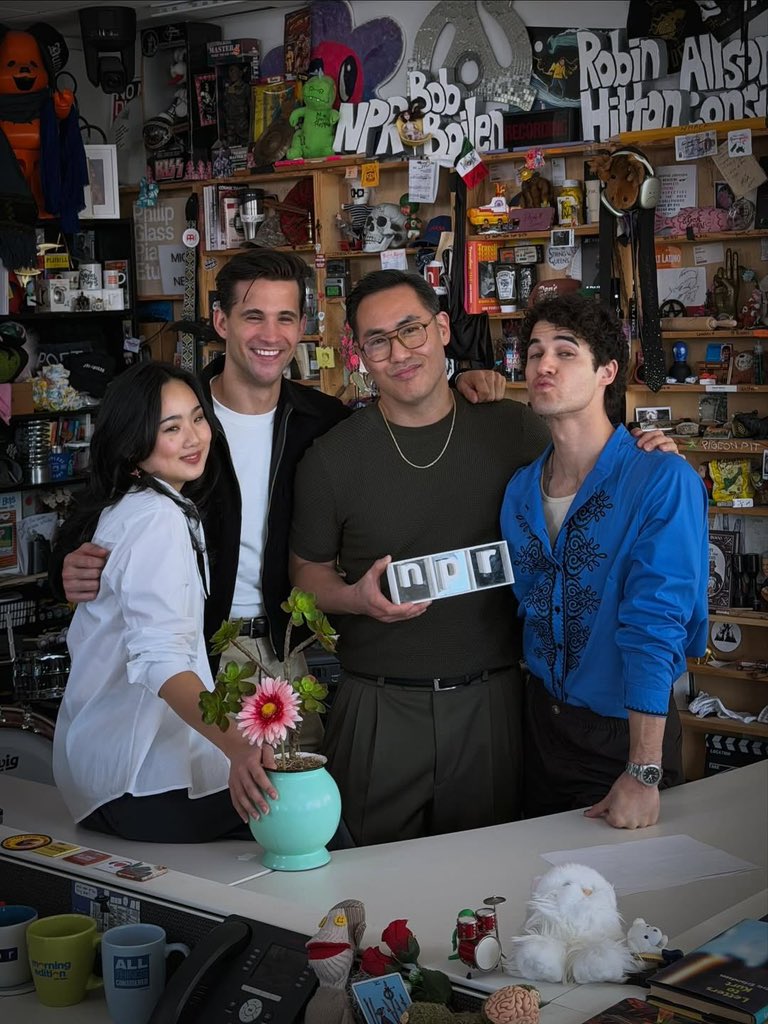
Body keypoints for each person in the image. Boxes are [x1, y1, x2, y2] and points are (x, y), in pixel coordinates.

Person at [55, 251, 505, 824]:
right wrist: (66, 566)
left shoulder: (322, 421)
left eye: (286, 317)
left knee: (293, 821)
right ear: (221, 323)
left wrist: (460, 379)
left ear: (303, 324)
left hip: (286, 655)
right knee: (217, 820)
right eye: (253, 317)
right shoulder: (175, 413)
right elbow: (101, 504)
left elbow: (404, 417)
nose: (272, 335)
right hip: (190, 653)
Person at [289, 270, 678, 847]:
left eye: (412, 329)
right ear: (359, 354)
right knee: (364, 884)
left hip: (496, 704)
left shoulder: (514, 427)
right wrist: (354, 599)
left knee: (489, 890)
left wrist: (652, 451)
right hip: (377, 704)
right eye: (377, 340)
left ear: (442, 328)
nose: (399, 352)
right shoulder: (332, 458)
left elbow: (594, 463)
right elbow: (305, 578)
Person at [499, 294, 709, 830]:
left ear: (607, 372)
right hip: (540, 727)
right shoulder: (520, 491)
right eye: (535, 352)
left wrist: (643, 770)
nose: (544, 364)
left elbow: (656, 625)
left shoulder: (662, 478)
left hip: (627, 736)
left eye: (566, 352)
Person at [52, 363, 275, 843]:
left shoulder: (149, 505)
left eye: (198, 419)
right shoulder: (156, 517)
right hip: (133, 779)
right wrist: (238, 748)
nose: (194, 437)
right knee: (301, 813)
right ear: (134, 447)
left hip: (115, 772)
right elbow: (161, 662)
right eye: (171, 428)